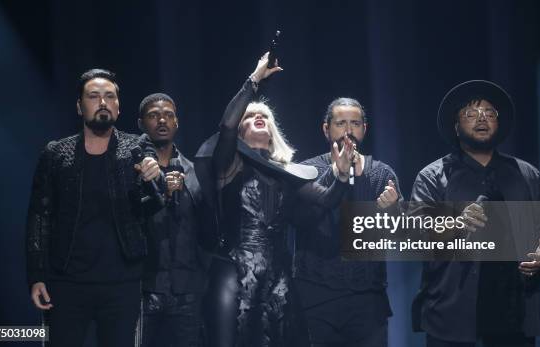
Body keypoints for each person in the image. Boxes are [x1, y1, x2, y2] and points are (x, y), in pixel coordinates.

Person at [195, 52, 353, 347]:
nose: (258, 118)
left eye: (264, 117)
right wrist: (255, 81)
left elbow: (327, 200)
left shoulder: (285, 174)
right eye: (250, 116)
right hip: (235, 273)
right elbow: (226, 127)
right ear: (241, 131)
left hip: (278, 277)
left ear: (272, 133)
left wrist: (342, 176)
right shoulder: (230, 164)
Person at [409, 80, 540, 347]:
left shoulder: (526, 174)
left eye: (490, 113)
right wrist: (457, 223)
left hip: (515, 315)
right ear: (456, 126)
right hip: (453, 316)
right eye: (471, 113)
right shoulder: (433, 177)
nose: (482, 118)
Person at [25, 69, 162, 347]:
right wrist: (36, 275)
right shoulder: (56, 153)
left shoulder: (137, 147)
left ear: (118, 106)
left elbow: (154, 206)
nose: (102, 102)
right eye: (94, 96)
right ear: (79, 106)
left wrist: (152, 178)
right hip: (66, 282)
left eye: (109, 97)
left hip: (122, 283)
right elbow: (39, 216)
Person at [294, 97, 402, 347]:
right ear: (326, 129)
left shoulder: (382, 174)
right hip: (316, 298)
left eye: (355, 123)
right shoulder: (306, 170)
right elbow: (300, 220)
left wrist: (392, 213)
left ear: (365, 129)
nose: (348, 130)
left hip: (368, 302)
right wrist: (338, 175)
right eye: (341, 123)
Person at [137, 93, 209, 347]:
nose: (162, 120)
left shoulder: (193, 172)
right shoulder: (130, 170)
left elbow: (205, 229)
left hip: (186, 290)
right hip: (143, 290)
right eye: (154, 115)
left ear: (177, 123)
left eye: (168, 114)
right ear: (141, 124)